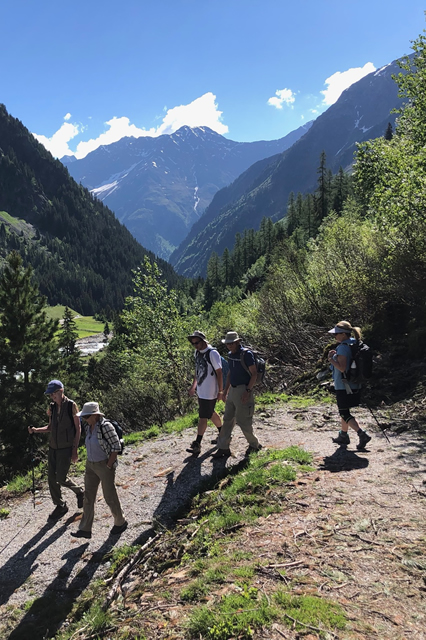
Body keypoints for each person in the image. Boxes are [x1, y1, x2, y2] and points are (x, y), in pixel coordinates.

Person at [28, 379, 84, 520]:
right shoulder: (52, 408)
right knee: (51, 479)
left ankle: (79, 491)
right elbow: (50, 427)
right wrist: (35, 430)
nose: (52, 397)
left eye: (54, 394)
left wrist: (74, 449)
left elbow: (78, 428)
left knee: (61, 478)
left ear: (61, 391)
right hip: (53, 447)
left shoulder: (72, 405)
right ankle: (60, 505)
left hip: (65, 448)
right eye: (50, 395)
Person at [70, 402, 127, 539]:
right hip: (90, 465)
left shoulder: (105, 426)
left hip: (103, 465)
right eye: (84, 416)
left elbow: (116, 446)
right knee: (88, 497)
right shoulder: (88, 426)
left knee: (109, 496)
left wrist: (108, 465)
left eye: (87, 416)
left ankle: (120, 522)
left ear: (95, 415)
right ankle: (85, 529)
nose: (85, 418)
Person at [212, 331, 262, 459]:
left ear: (238, 342)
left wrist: (248, 391)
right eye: (228, 344)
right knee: (227, 419)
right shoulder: (230, 355)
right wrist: (225, 390)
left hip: (243, 389)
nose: (229, 346)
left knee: (243, 420)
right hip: (233, 390)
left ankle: (254, 445)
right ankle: (223, 448)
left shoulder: (247, 355)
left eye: (232, 343)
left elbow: (254, 374)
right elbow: (230, 373)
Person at [328, 321, 372, 450]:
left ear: (343, 334)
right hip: (355, 383)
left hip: (344, 385)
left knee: (343, 412)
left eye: (336, 334)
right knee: (345, 410)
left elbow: (342, 368)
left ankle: (362, 434)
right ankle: (343, 435)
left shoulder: (343, 347)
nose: (334, 336)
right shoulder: (355, 343)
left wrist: (331, 359)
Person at [186, 331, 223, 455]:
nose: (195, 345)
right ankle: (223, 434)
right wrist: (193, 386)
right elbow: (198, 371)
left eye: (197, 342)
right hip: (202, 390)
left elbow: (219, 372)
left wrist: (221, 391)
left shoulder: (212, 353)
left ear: (203, 340)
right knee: (210, 413)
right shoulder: (197, 353)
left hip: (210, 391)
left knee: (203, 416)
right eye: (193, 343)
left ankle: (197, 443)